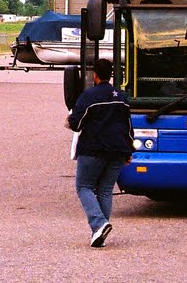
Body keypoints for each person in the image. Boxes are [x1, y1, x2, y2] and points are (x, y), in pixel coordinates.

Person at [65, 58, 134, 248]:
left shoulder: (89, 96)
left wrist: (69, 121)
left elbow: (76, 123)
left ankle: (99, 223)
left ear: (94, 75)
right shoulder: (121, 97)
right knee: (105, 190)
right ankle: (98, 234)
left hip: (94, 148)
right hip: (118, 149)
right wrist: (128, 150)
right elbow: (128, 126)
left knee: (84, 187)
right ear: (111, 74)